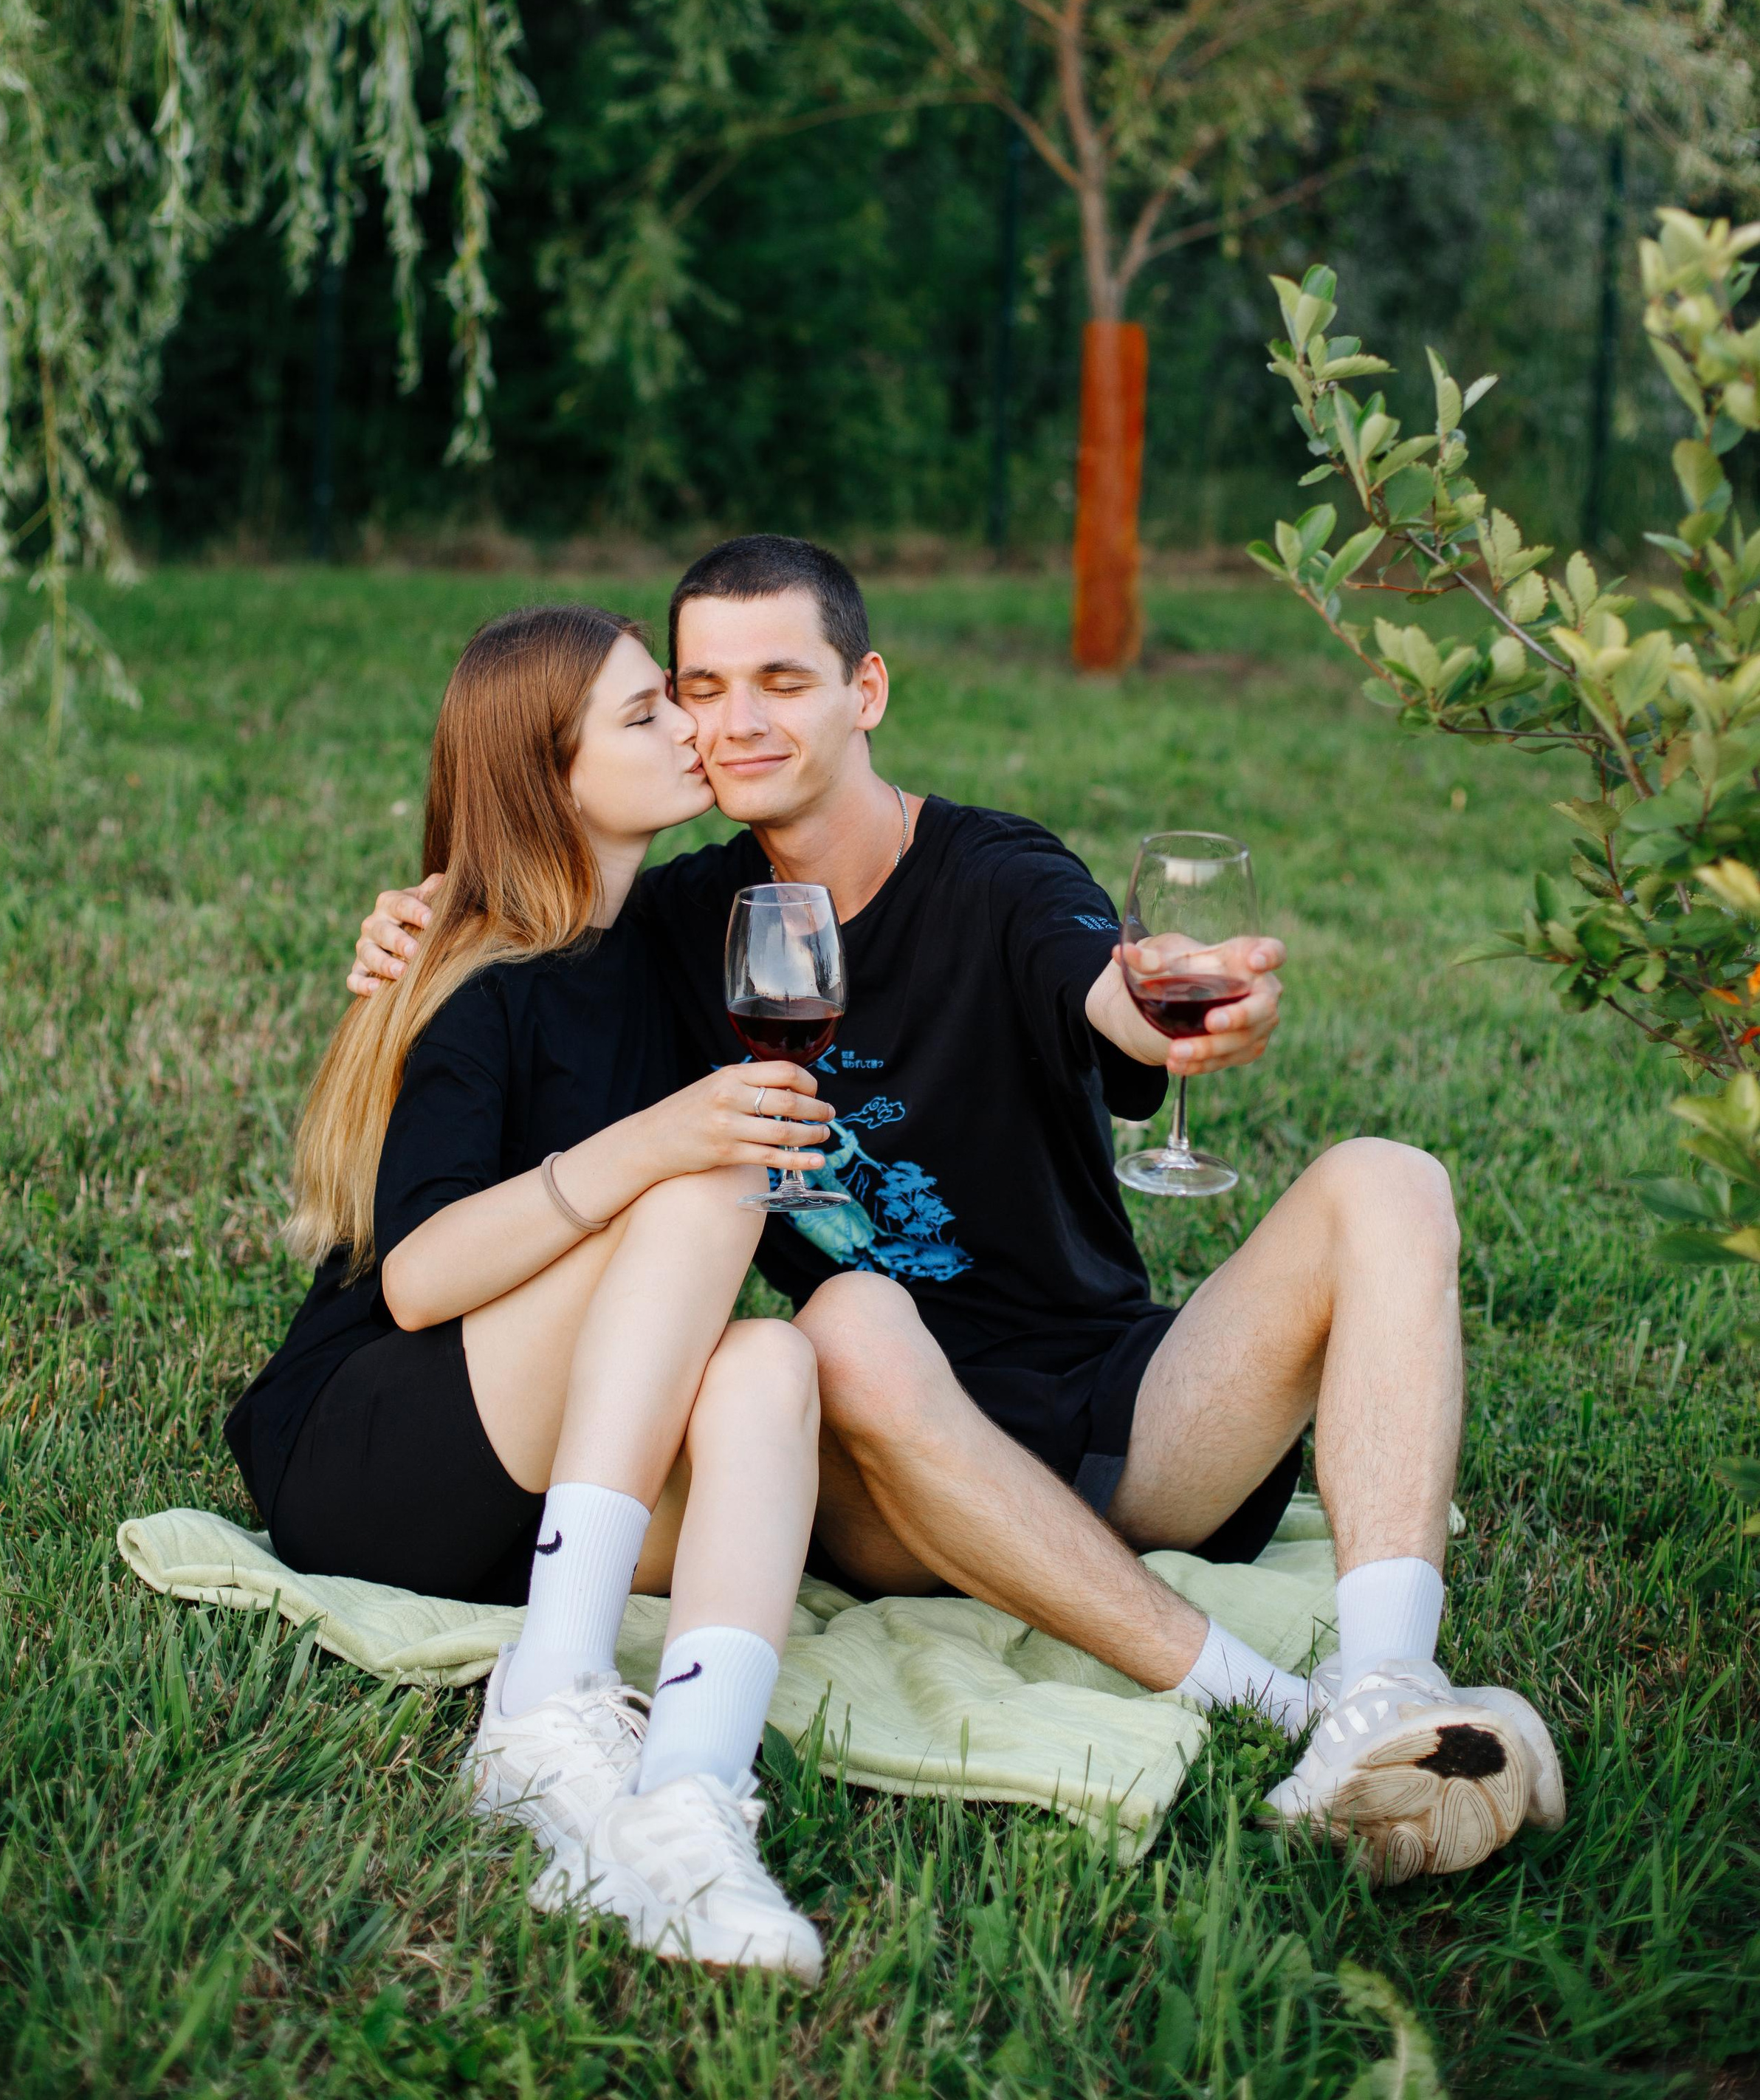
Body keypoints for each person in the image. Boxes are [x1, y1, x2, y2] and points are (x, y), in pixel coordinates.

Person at [351, 539, 1566, 1888]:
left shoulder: (996, 874)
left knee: (1392, 1177)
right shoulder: (681, 924)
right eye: (701, 686)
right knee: (852, 1320)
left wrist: (1171, 1004)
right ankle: (1263, 1700)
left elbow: (1099, 990)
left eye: (782, 680)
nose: (737, 719)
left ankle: (1386, 1685)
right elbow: (535, 893)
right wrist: (416, 919)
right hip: (887, 1481)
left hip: (1124, 1418)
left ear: (865, 690)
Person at [227, 602, 834, 1978]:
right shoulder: (482, 979)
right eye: (646, 714)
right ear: (548, 778)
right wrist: (654, 1147)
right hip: (372, 1450)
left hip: (535, 1490)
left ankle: (686, 1805)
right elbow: (423, 1278)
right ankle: (548, 1690)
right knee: (706, 1167)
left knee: (773, 1372)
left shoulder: (680, 943)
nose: (691, 725)